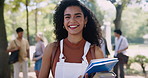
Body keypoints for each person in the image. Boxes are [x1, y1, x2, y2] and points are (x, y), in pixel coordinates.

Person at [39, 0, 104, 78]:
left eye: (78, 16)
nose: (72, 20)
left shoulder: (96, 52)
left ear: (85, 20)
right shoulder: (51, 49)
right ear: (63, 21)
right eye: (67, 17)